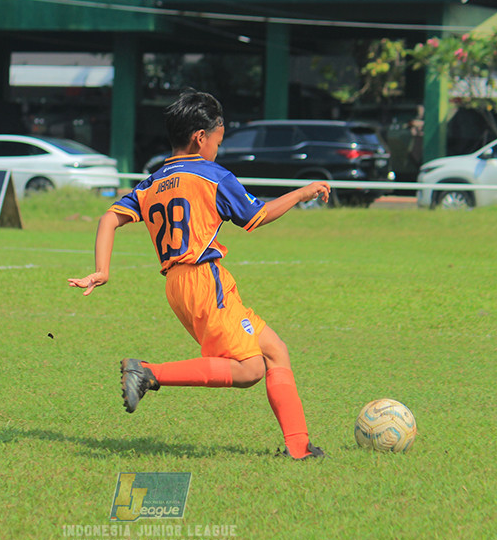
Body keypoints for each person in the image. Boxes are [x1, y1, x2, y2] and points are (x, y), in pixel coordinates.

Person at [68, 90, 330, 460]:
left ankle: (299, 448)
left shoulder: (153, 181)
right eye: (217, 142)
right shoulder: (211, 175)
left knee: (275, 351)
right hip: (204, 280)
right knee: (251, 368)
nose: (217, 150)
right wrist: (302, 192)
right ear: (200, 137)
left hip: (178, 285)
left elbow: (108, 218)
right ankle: (147, 371)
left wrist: (102, 270)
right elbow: (257, 217)